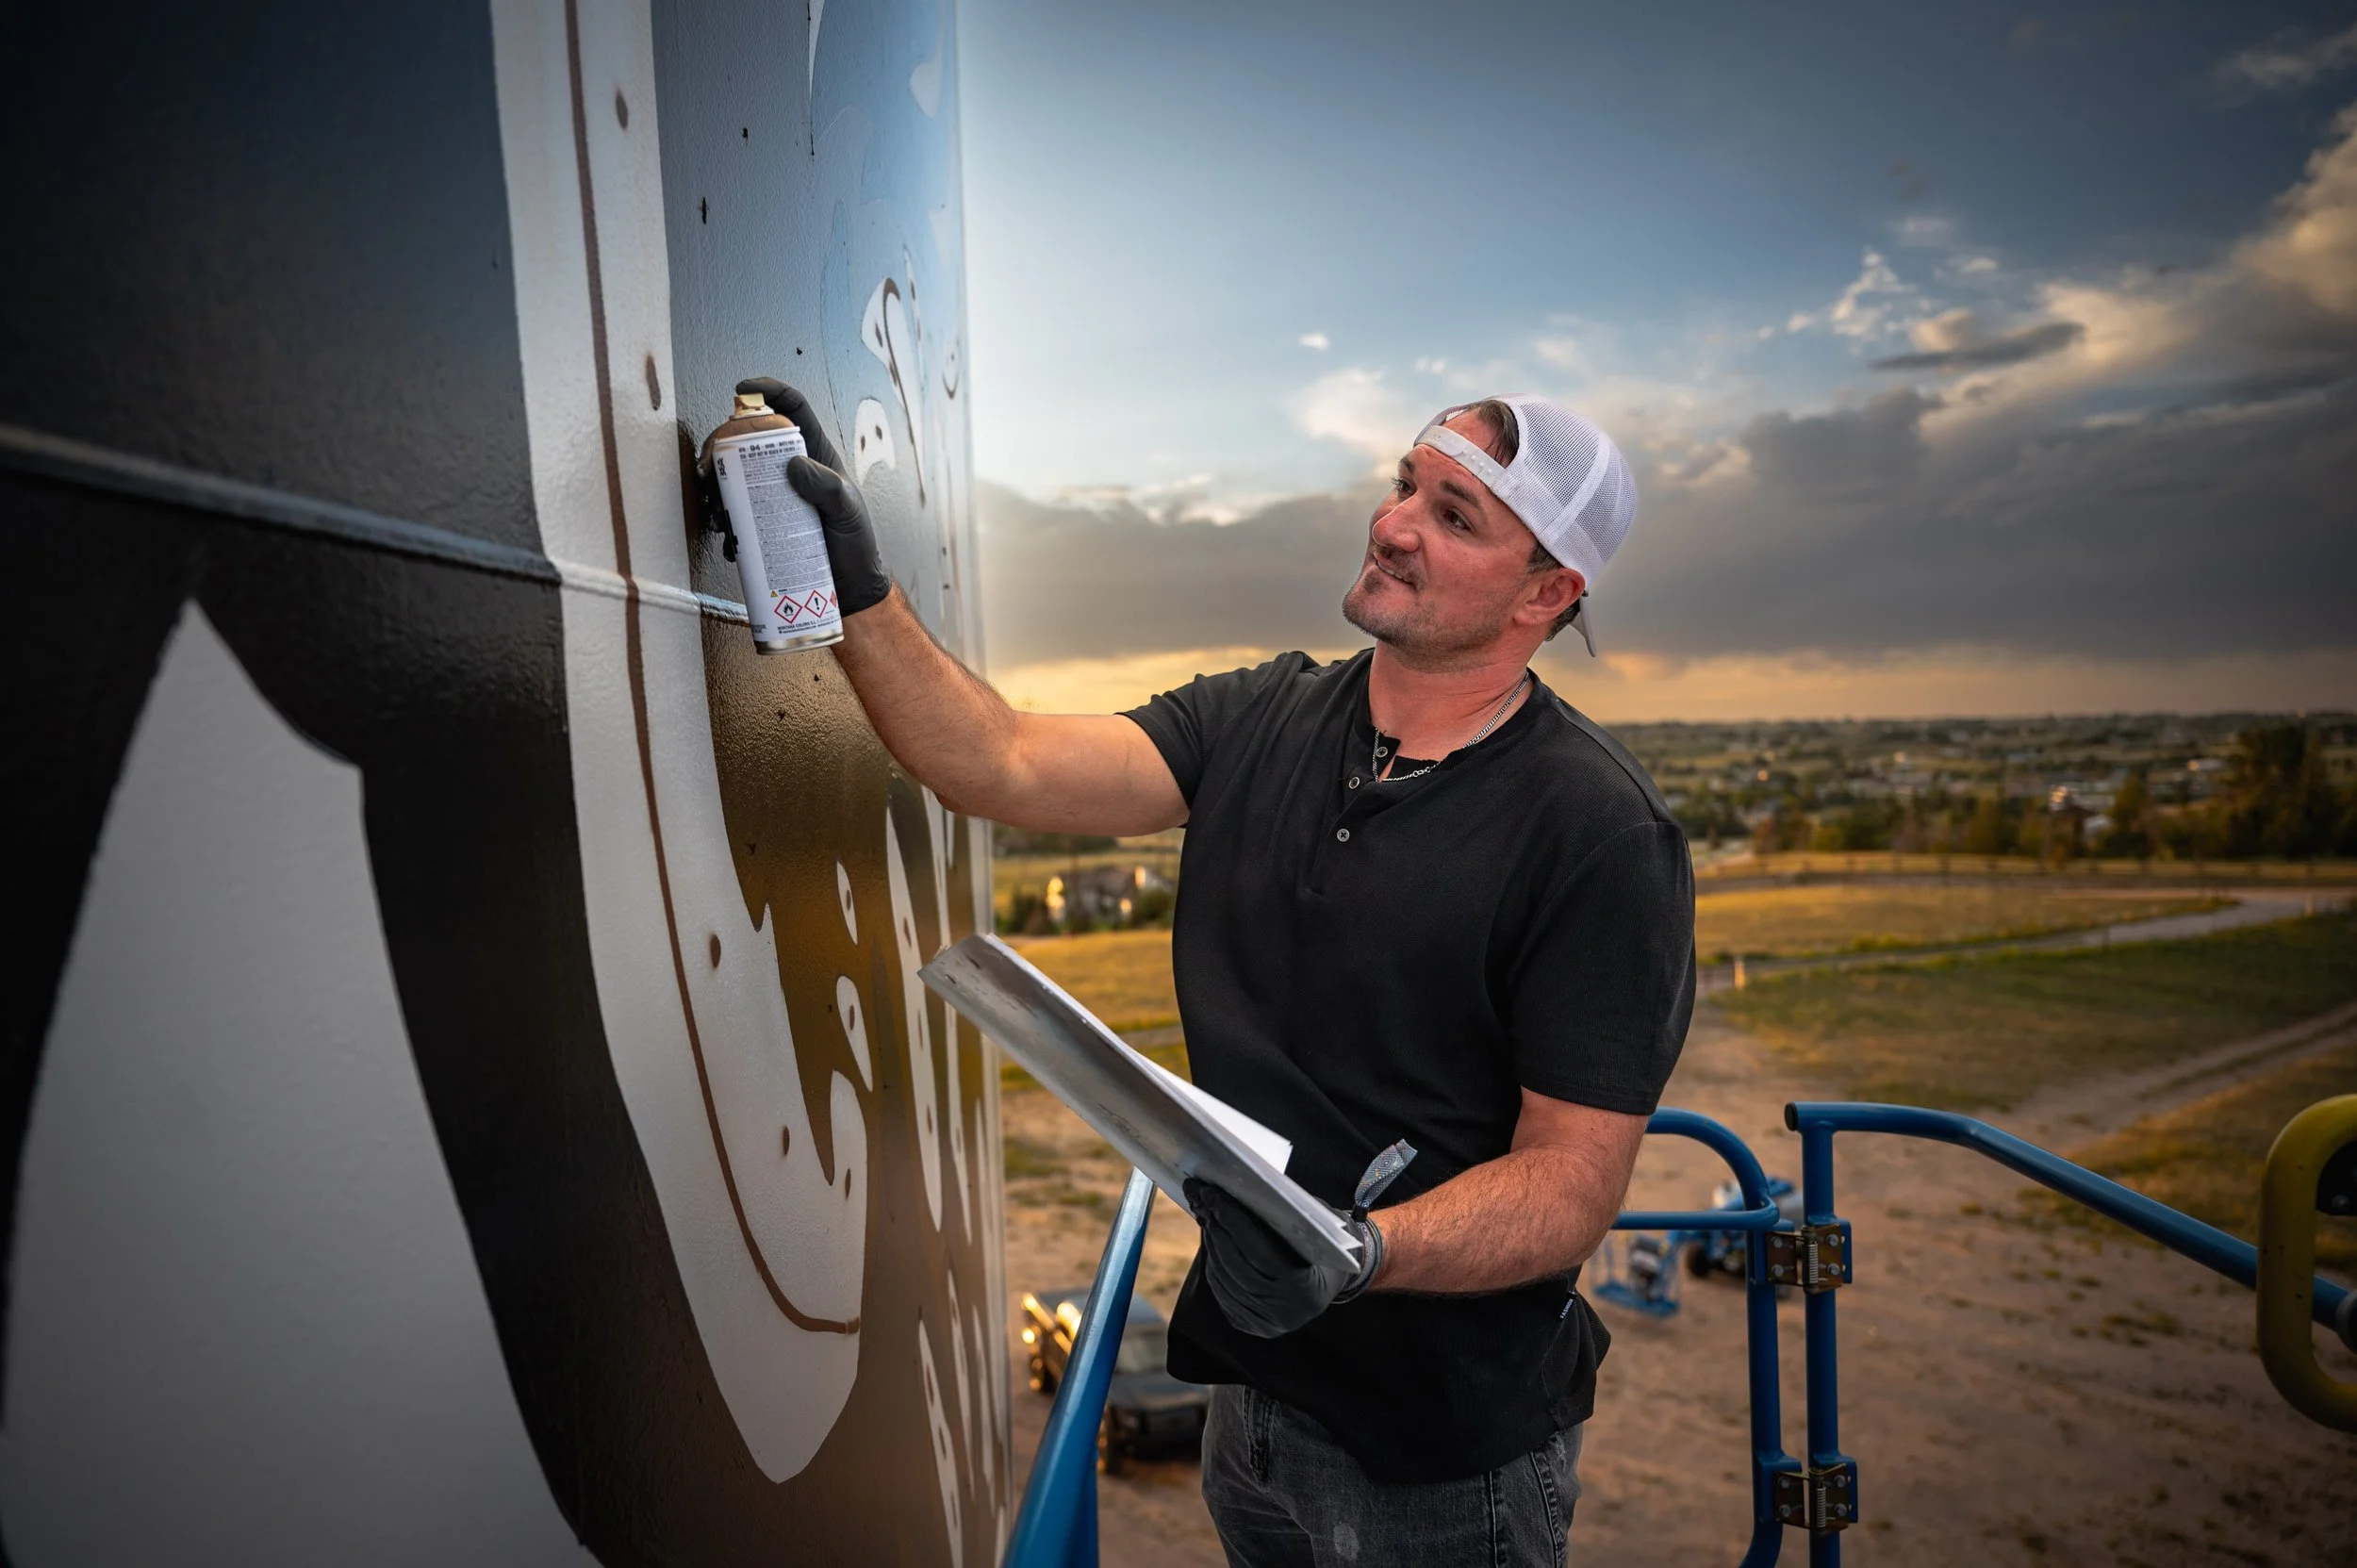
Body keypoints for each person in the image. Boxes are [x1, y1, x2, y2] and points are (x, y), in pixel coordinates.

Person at [740, 377, 1694, 1567]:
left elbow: (1569, 1186)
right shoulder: (1262, 716)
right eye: (1407, 483)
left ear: (1548, 593)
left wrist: (1359, 1253)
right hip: (1249, 1398)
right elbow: (1000, 760)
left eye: (1457, 518)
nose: (1394, 523)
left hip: (1441, 1456)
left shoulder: (1597, 831)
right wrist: (856, 591)